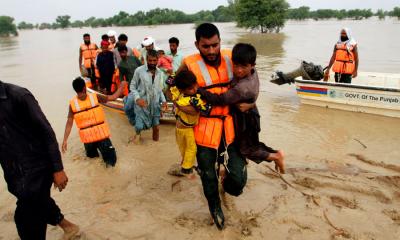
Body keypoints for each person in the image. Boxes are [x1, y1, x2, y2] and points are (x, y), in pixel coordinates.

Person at [167, 23, 285, 230]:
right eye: (205, 46)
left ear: (220, 41)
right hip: (203, 129)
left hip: (231, 129)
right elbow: (170, 88)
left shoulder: (234, 57)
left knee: (238, 183)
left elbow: (253, 79)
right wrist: (180, 107)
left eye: (214, 45)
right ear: (197, 45)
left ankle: (227, 179)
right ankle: (215, 209)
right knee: (207, 177)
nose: (211, 51)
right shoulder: (188, 63)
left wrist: (253, 101)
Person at [0, 80, 79, 239]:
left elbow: (47, 132)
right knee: (39, 205)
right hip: (15, 175)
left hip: (37, 169)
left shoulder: (18, 95)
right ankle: (69, 227)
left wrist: (58, 169)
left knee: (26, 222)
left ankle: (69, 227)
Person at [197, 43, 285, 166]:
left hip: (248, 118)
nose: (238, 70)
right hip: (250, 112)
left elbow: (220, 100)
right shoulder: (252, 70)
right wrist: (253, 101)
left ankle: (275, 156)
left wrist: (198, 89)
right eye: (235, 64)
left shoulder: (243, 88)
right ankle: (276, 154)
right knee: (251, 144)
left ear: (253, 65)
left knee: (245, 149)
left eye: (244, 66)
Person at [62, 77, 127, 168]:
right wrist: (121, 86)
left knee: (93, 161)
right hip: (101, 135)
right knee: (110, 161)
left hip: (88, 139)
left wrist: (65, 140)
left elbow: (69, 123)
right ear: (84, 88)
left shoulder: (73, 105)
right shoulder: (94, 96)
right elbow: (113, 97)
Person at [167, 70, 212, 180]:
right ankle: (186, 170)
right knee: (192, 148)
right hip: (185, 129)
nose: (195, 89)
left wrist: (172, 80)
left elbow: (172, 87)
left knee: (184, 148)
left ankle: (185, 161)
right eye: (191, 88)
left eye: (195, 85)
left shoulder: (179, 94)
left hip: (180, 128)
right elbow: (204, 109)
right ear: (182, 90)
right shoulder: (190, 100)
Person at [129, 50, 168, 143]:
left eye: (154, 61)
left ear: (157, 60)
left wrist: (164, 101)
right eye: (150, 60)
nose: (152, 63)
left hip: (155, 105)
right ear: (146, 59)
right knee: (139, 127)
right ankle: (137, 136)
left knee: (156, 128)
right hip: (143, 104)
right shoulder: (139, 71)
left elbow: (159, 89)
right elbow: (132, 86)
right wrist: (138, 98)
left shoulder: (159, 72)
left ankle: (156, 147)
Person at [118, 45, 142, 125]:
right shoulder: (120, 64)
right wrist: (122, 85)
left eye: (123, 52)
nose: (122, 54)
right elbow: (121, 77)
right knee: (129, 106)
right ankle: (132, 118)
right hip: (132, 86)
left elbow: (142, 67)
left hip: (141, 82)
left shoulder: (133, 58)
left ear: (126, 52)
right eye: (120, 53)